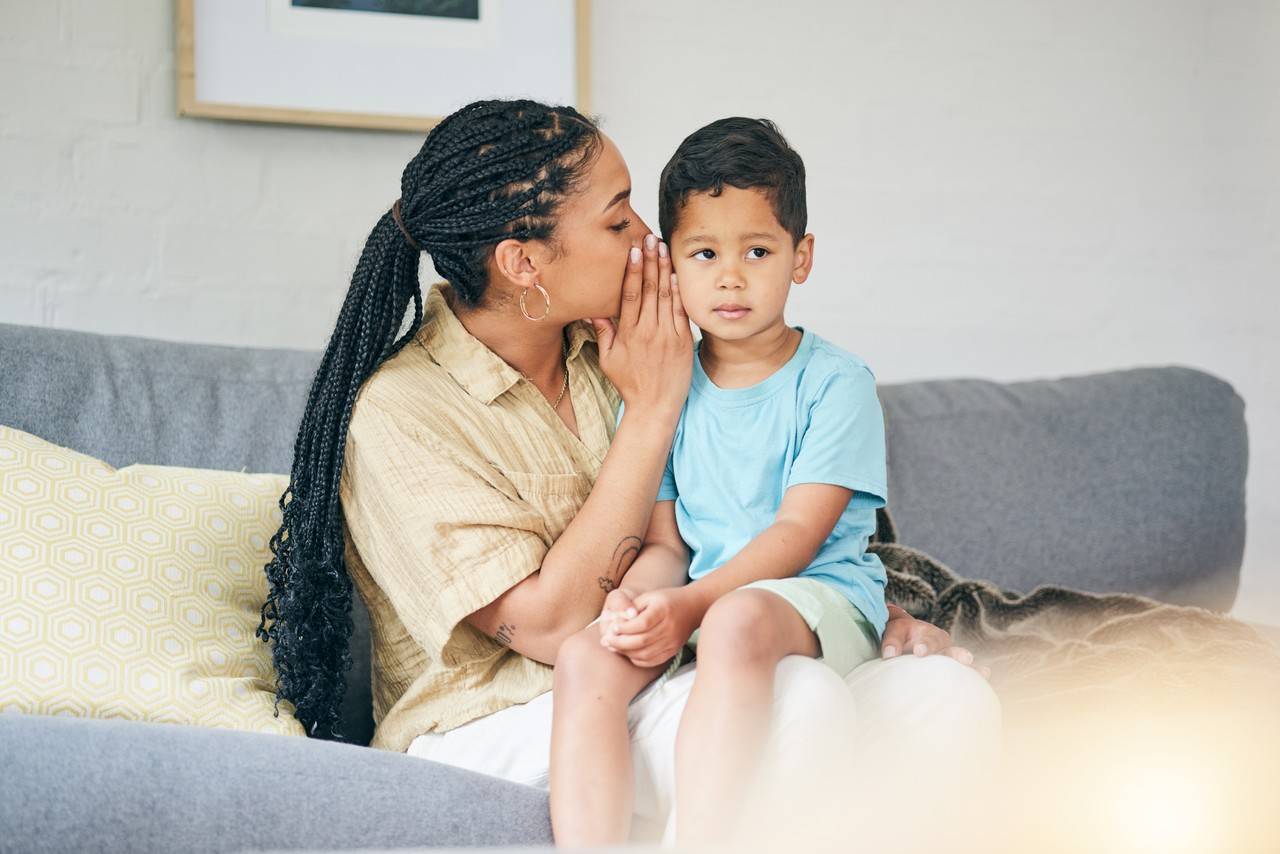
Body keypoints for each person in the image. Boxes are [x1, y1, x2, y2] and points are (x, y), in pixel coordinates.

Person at [256, 98, 1000, 848]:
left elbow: (760, 509)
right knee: (795, 701)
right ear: (524, 263)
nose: (652, 240)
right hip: (499, 718)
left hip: (668, 659)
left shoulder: (625, 337)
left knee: (946, 697)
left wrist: (850, 616)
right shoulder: (403, 412)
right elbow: (548, 629)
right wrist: (651, 413)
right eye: (619, 222)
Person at [550, 116, 900, 846]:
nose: (731, 276)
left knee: (737, 620)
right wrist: (638, 602)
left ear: (800, 259)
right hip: (698, 597)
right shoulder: (666, 389)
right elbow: (667, 542)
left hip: (816, 599)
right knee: (586, 653)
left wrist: (693, 606)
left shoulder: (836, 384)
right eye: (705, 252)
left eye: (758, 250)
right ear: (671, 262)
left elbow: (798, 536)